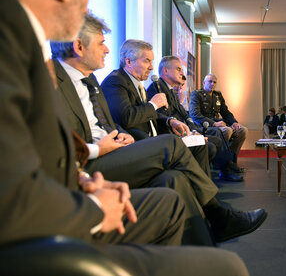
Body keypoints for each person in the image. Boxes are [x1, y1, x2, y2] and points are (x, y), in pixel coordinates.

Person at [0, 0, 250, 275]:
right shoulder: (17, 50)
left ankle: (211, 233)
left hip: (80, 181)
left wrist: (84, 179)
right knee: (228, 268)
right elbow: (16, 192)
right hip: (44, 233)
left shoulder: (35, 52)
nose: (86, 10)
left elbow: (45, 149)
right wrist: (91, 201)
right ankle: (217, 218)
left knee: (171, 187)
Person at [51, 15, 266, 245]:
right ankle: (219, 214)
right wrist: (96, 148)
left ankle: (204, 248)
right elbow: (54, 146)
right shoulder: (51, 81)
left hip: (115, 150)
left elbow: (110, 122)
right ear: (79, 46)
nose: (106, 50)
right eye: (101, 43)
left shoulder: (90, 80)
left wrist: (119, 131)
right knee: (171, 145)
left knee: (174, 179)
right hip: (88, 165)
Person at [125, 53, 244, 181]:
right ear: (165, 70)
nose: (182, 73)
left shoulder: (169, 89)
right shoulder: (157, 87)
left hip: (184, 130)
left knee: (216, 137)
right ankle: (216, 175)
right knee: (212, 141)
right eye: (178, 69)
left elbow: (184, 115)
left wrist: (193, 130)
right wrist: (190, 131)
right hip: (172, 134)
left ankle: (224, 169)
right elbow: (160, 117)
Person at [190, 74, 248, 163]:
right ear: (204, 82)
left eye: (214, 82)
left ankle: (232, 159)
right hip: (205, 126)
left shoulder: (217, 95)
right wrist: (214, 123)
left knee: (242, 130)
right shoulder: (197, 94)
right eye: (210, 81)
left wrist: (234, 122)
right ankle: (220, 162)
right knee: (227, 130)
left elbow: (225, 112)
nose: (212, 84)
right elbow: (195, 115)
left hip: (218, 123)